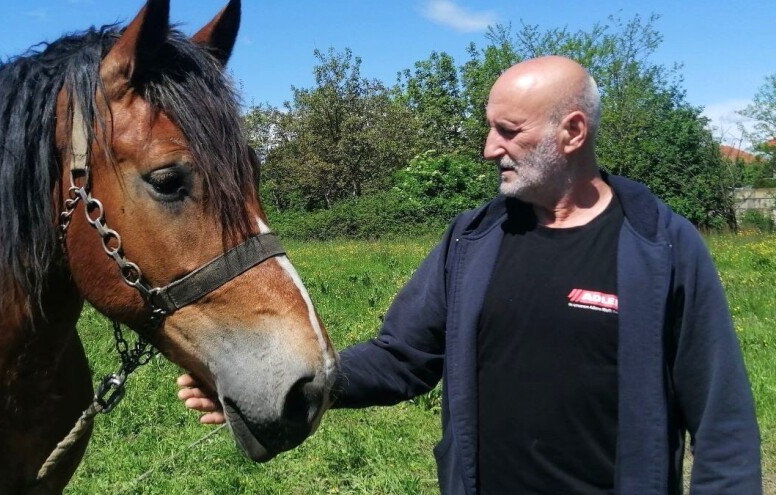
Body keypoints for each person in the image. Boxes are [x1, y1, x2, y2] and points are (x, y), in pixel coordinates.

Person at [177, 55, 762, 494]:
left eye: (509, 131)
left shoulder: (660, 246)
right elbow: (401, 357)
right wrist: (295, 383)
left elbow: (722, 420)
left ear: (573, 133)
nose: (489, 149)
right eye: (490, 128)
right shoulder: (473, 238)